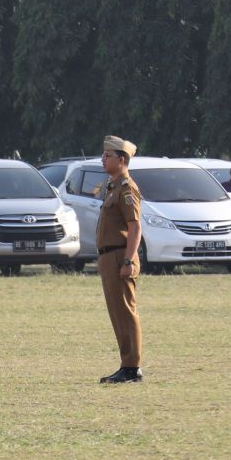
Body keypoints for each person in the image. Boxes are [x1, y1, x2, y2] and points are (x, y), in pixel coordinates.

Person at [96, 136, 143, 384]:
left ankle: (132, 368)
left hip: (119, 256)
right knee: (117, 312)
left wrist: (128, 260)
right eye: (104, 155)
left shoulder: (126, 188)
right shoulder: (113, 186)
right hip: (109, 257)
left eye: (108, 156)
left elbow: (135, 227)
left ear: (121, 160)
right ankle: (126, 364)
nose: (103, 159)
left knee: (125, 311)